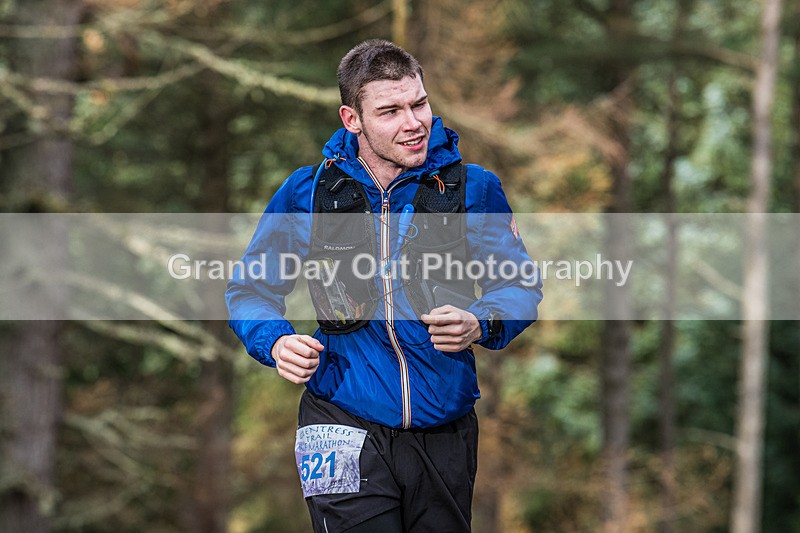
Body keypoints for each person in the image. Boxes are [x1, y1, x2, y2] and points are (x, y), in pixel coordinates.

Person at [226, 39, 542, 533]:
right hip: (339, 415)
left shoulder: (473, 189)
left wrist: (480, 321)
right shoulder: (307, 193)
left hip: (444, 427)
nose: (413, 122)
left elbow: (521, 287)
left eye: (418, 103)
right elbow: (250, 291)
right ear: (352, 119)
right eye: (390, 111)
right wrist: (276, 340)